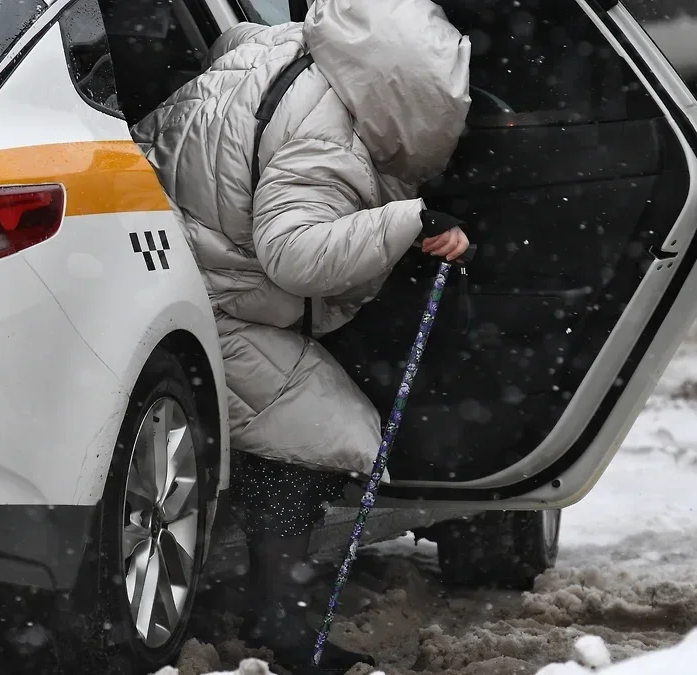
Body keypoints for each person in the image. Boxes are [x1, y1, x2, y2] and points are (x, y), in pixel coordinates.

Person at [132, 0, 471, 670]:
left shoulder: (291, 46)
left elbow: (230, 38)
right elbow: (294, 253)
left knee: (298, 408)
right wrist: (408, 220)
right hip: (208, 297)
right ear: (413, 102)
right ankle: (280, 621)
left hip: (156, 248)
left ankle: (267, 589)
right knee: (318, 428)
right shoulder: (329, 147)